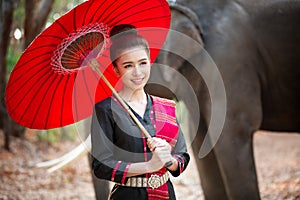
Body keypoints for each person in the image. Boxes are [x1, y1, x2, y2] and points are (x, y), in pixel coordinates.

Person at [91, 24, 190, 200]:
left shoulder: (165, 106)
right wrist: (148, 166)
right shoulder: (105, 109)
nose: (138, 72)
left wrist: (169, 159)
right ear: (116, 69)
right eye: (128, 66)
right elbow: (101, 166)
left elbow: (182, 157)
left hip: (166, 195)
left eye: (143, 63)